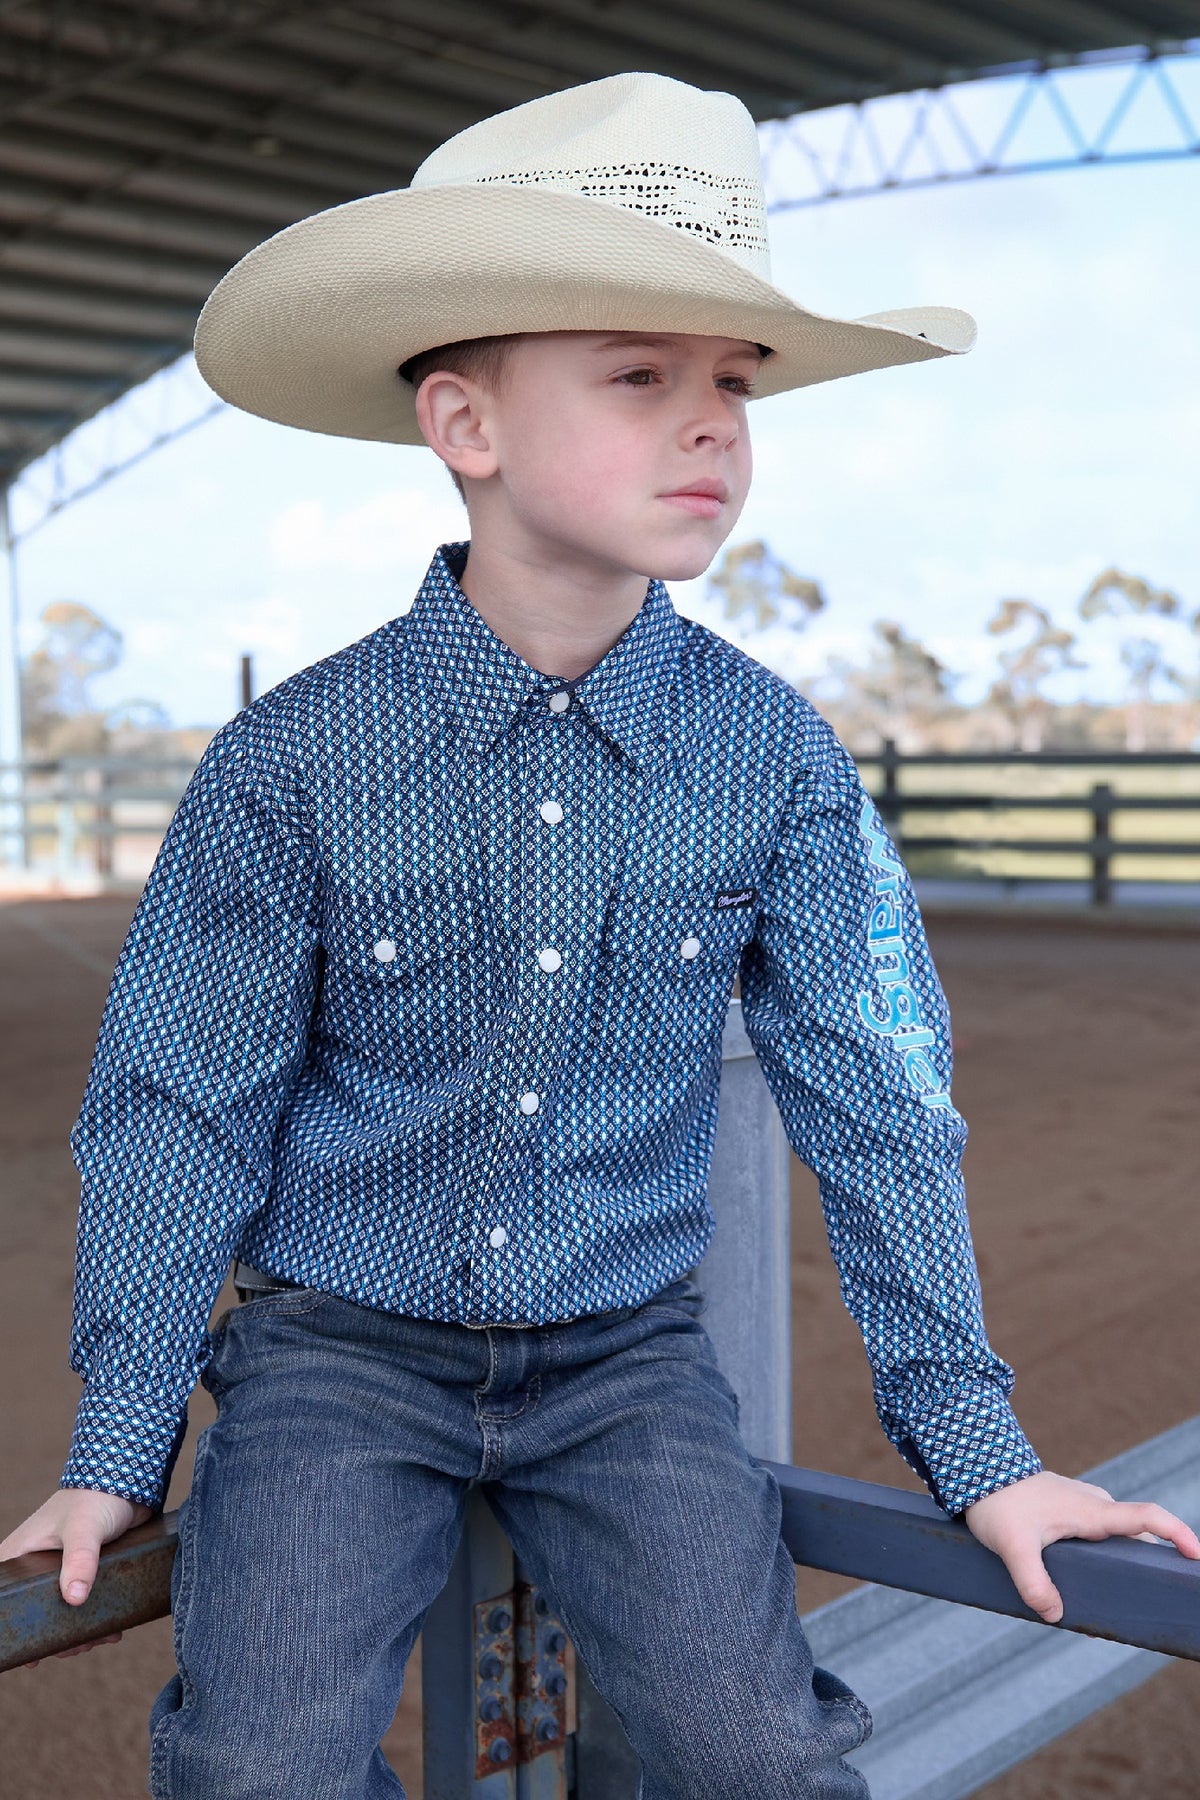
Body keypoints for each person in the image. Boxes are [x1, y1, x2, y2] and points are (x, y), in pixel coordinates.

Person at [2, 69, 1196, 1800]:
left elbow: (880, 1101)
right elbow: (183, 1107)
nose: (713, 425)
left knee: (758, 1756)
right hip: (336, 1357)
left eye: (736, 383)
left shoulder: (773, 757)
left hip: (628, 1365)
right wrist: (119, 1448)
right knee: (255, 1768)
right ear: (466, 425)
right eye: (642, 376)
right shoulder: (290, 763)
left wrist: (983, 1453)